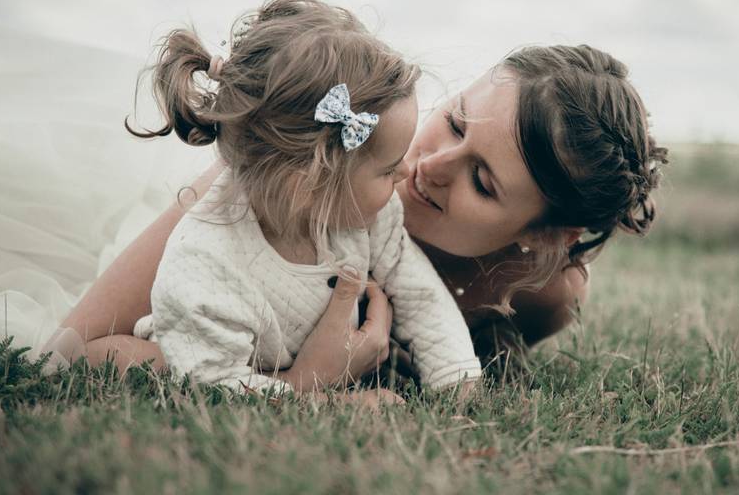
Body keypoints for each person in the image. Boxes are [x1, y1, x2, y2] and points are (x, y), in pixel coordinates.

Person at [45, 31, 668, 398]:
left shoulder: (541, 294)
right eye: (452, 121)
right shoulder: (304, 175)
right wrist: (303, 379)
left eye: (481, 180)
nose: (428, 167)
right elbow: (76, 346)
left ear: (543, 238)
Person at [50, 0, 483, 397]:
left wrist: (455, 374)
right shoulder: (208, 267)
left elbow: (418, 290)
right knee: (139, 363)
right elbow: (218, 386)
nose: (406, 173)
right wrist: (311, 393)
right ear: (309, 185)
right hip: (193, 351)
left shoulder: (373, 215)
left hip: (273, 352)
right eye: (389, 169)